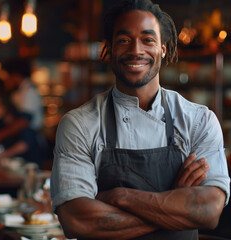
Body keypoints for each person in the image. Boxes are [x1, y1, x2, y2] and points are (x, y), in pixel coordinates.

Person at [50, 0, 230, 239]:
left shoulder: (199, 121)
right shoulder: (79, 124)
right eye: (124, 40)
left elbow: (208, 212)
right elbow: (76, 220)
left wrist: (120, 197)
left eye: (148, 40)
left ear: (163, 48)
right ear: (109, 48)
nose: (136, 50)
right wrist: (173, 204)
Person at [0, 78, 44, 166]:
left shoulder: (13, 115)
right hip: (3, 156)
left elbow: (25, 142)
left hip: (19, 159)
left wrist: (1, 155)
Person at [2, 57, 44, 131]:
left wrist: (1, 134)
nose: (6, 80)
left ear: (15, 76)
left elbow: (24, 121)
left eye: (8, 76)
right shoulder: (20, 90)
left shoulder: (29, 91)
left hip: (29, 137)